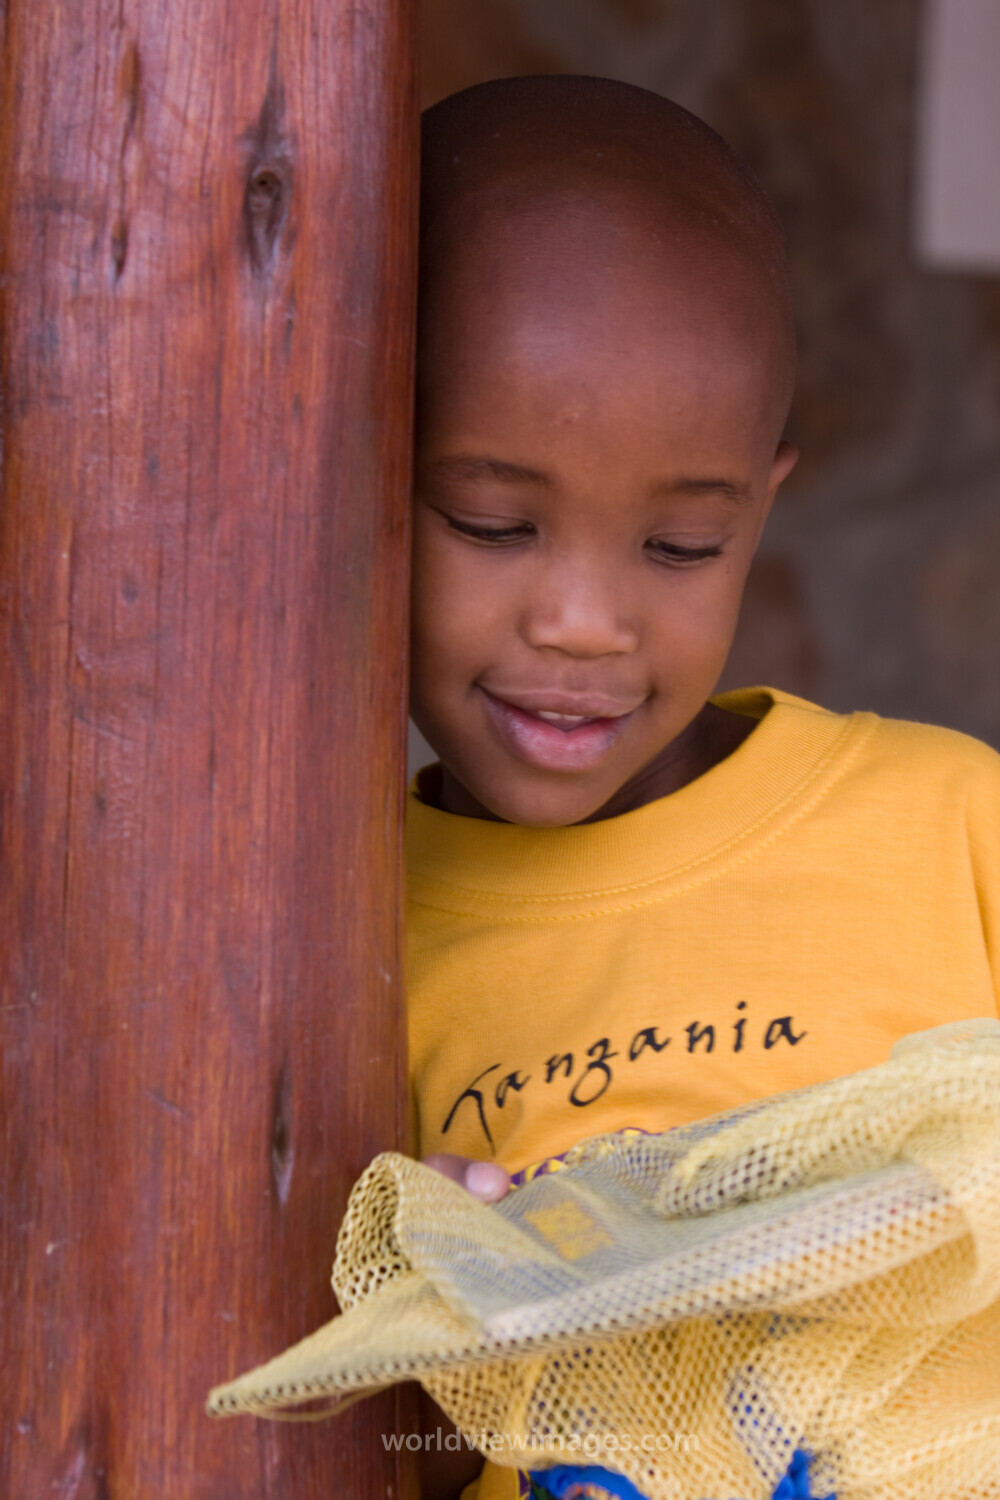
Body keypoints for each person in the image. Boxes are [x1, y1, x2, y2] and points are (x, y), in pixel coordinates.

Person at [404, 74, 1000, 1500]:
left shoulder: (950, 831)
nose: (586, 626)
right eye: (493, 522)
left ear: (763, 507)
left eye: (679, 548)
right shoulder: (342, 939)